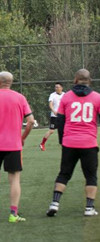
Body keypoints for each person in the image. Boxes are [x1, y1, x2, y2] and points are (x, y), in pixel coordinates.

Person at [46, 69, 100, 217]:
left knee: (64, 173)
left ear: (75, 80)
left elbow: (60, 120)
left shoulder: (67, 97)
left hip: (69, 142)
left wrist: (62, 141)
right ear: (90, 80)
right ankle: (89, 208)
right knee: (91, 176)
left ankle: (54, 203)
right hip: (89, 143)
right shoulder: (97, 97)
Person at [0, 71, 34, 223]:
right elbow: (31, 121)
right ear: (10, 82)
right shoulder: (20, 97)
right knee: (14, 178)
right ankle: (13, 214)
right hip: (13, 144)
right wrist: (22, 138)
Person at [40, 83, 65, 151]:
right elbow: (50, 104)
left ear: (61, 88)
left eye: (57, 87)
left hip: (62, 116)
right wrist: (54, 111)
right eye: (55, 87)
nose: (56, 88)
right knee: (51, 131)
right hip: (54, 116)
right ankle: (42, 143)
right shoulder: (52, 95)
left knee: (64, 130)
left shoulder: (64, 95)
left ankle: (65, 145)